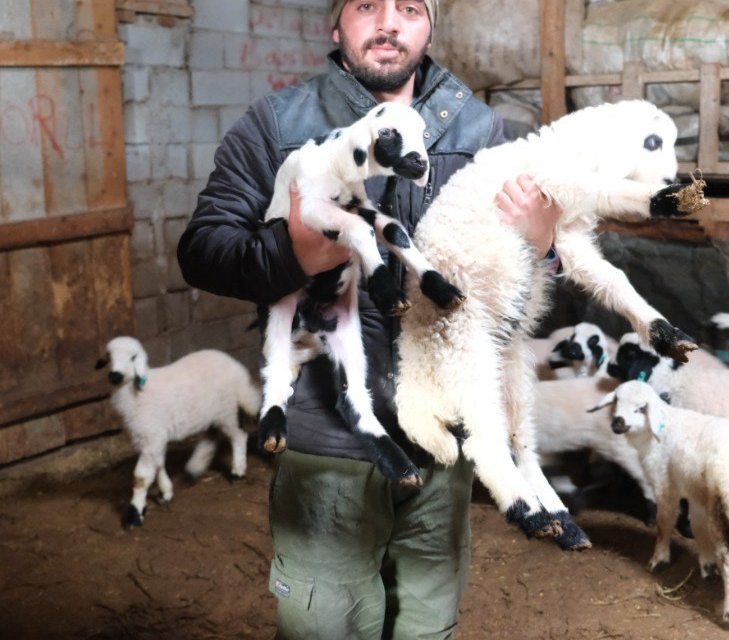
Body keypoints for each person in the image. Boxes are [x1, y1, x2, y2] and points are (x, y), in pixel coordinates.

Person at [177, 1, 562, 637]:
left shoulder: (480, 131)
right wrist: (290, 252)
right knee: (327, 626)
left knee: (426, 624)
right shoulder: (278, 125)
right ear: (337, 24)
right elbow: (203, 249)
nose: (388, 22)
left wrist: (543, 244)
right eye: (366, 5)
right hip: (329, 446)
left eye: (409, 7)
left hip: (445, 438)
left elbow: (524, 291)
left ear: (430, 24)